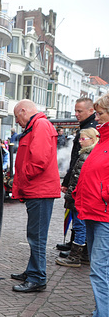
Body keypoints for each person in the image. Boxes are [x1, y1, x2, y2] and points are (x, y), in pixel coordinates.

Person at [10, 99, 61, 293]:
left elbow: (38, 160)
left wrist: (23, 178)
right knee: (35, 235)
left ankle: (38, 277)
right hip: (39, 190)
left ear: (23, 111)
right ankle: (33, 271)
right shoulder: (39, 125)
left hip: (39, 190)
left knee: (36, 236)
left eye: (17, 117)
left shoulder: (39, 125)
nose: (17, 122)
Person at [72, 93, 109, 317]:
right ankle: (101, 314)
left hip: (103, 214)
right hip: (95, 211)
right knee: (100, 270)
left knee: (100, 271)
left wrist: (103, 195)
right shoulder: (103, 139)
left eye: (101, 113)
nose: (97, 118)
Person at [58, 97, 98, 252]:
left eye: (79, 111)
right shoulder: (85, 126)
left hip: (81, 183)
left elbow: (77, 160)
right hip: (77, 179)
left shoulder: (90, 129)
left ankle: (79, 248)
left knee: (79, 215)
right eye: (75, 110)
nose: (76, 114)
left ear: (90, 111)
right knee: (75, 213)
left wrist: (68, 182)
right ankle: (75, 242)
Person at [56, 127, 99, 267]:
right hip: (80, 198)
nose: (80, 142)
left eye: (83, 139)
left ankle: (75, 257)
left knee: (79, 227)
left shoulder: (86, 156)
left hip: (79, 199)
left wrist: (70, 195)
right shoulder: (88, 154)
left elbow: (78, 180)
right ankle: (85, 255)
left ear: (92, 140)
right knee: (82, 226)